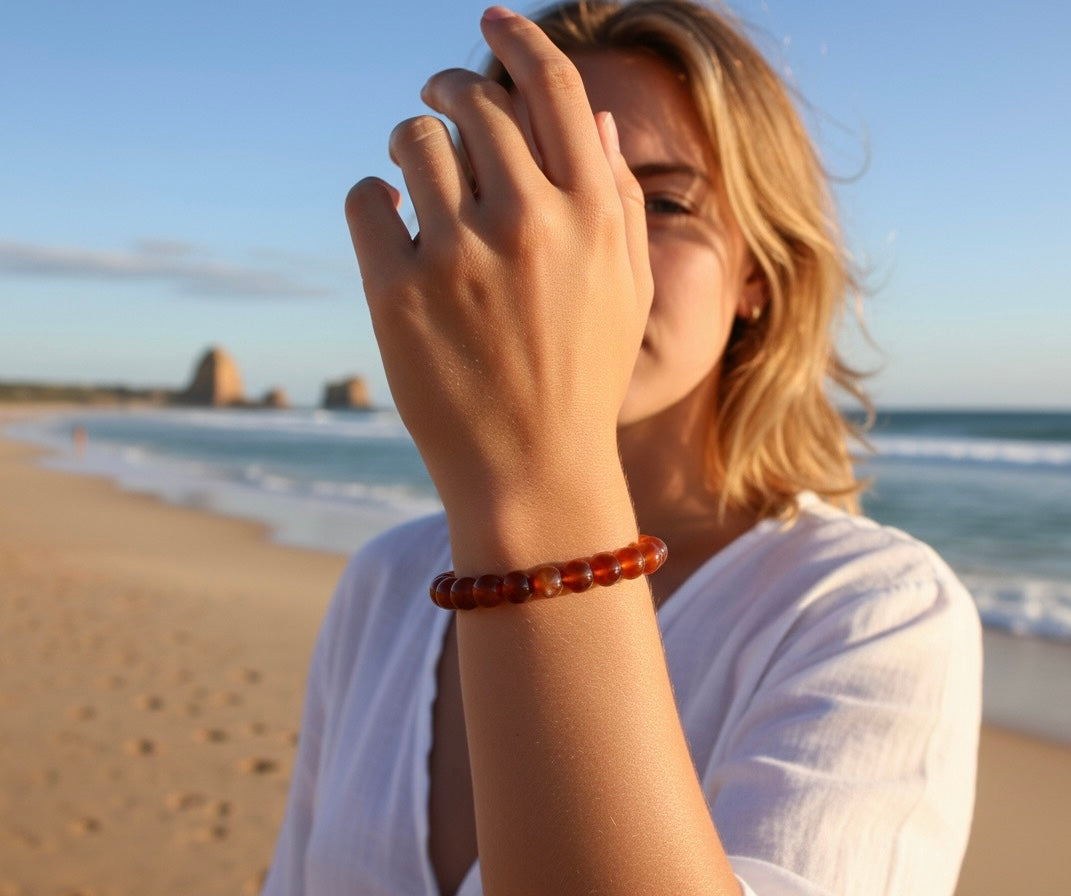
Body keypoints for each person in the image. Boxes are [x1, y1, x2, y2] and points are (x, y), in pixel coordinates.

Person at [263, 2, 981, 894]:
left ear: (758, 271)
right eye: (537, 196)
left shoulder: (866, 613)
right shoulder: (385, 583)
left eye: (662, 202)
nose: (588, 255)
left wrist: (532, 474)